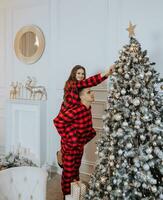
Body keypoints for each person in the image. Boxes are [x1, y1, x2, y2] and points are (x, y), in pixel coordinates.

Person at [55, 64, 114, 167]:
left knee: (78, 140)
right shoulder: (71, 84)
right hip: (67, 115)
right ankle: (61, 155)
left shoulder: (81, 86)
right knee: (67, 142)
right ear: (73, 74)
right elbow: (89, 82)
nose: (81, 75)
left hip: (76, 117)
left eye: (83, 73)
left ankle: (70, 169)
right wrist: (105, 73)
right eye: (78, 73)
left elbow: (87, 84)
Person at [54, 87, 97, 196]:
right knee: (68, 175)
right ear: (81, 96)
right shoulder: (77, 110)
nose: (92, 93)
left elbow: (87, 129)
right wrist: (71, 139)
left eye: (91, 91)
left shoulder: (88, 108)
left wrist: (87, 136)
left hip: (79, 147)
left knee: (75, 172)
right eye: (89, 92)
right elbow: (58, 121)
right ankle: (66, 196)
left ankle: (74, 196)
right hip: (69, 148)